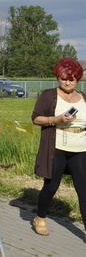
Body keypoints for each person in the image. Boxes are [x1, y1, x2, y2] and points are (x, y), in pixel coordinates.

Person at [31, 58, 86, 239]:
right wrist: (56, 119)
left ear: (78, 79)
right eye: (64, 78)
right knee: (51, 186)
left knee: (83, 189)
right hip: (57, 148)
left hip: (80, 149)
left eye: (71, 79)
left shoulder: (83, 98)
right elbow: (36, 118)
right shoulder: (49, 95)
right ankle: (40, 217)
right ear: (58, 78)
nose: (67, 82)